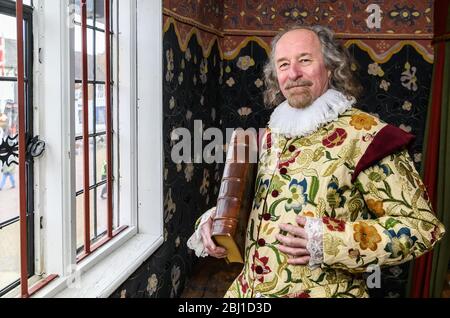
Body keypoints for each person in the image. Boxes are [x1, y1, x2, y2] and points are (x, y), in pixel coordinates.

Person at [187, 25, 446, 298]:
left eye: (305, 60)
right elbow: (262, 208)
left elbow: (421, 227)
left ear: (331, 68)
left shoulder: (368, 136)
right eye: (283, 64)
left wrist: (329, 240)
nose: (294, 73)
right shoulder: (271, 133)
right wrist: (218, 221)